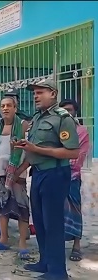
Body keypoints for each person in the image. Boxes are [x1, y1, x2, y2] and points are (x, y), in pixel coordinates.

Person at [18, 77, 79, 280]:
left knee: (53, 223)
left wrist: (38, 149)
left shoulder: (63, 118)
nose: (35, 96)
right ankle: (45, 262)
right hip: (38, 173)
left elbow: (72, 152)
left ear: (53, 94)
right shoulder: (37, 118)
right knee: (41, 222)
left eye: (40, 92)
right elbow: (34, 149)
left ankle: (57, 272)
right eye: (34, 93)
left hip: (55, 174)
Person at [0, 97, 31, 260]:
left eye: (9, 106)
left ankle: (22, 244)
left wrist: (20, 170)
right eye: (2, 106)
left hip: (17, 175)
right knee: (2, 207)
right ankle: (3, 239)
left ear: (15, 108)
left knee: (22, 209)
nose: (5, 108)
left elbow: (30, 152)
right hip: (0, 175)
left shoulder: (24, 126)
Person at [60, 99, 90, 262]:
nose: (66, 113)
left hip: (71, 177)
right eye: (63, 110)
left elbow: (77, 157)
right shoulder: (57, 129)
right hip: (55, 176)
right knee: (56, 211)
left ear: (75, 112)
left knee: (74, 209)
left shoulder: (82, 131)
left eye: (69, 110)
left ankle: (76, 245)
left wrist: (58, 155)